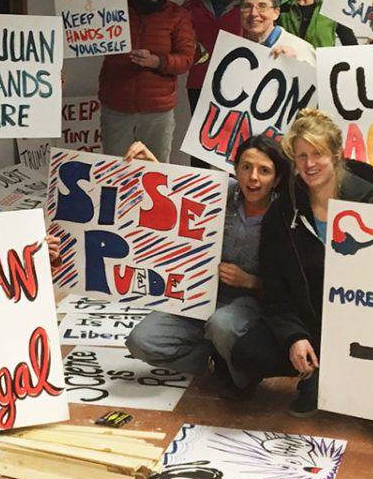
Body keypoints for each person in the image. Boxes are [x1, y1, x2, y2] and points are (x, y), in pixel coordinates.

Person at [228, 108, 373, 417]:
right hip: (310, 322)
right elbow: (275, 290)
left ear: (337, 154)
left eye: (318, 154)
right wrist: (294, 336)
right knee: (247, 353)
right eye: (301, 156)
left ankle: (351, 372)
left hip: (364, 323)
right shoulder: (283, 211)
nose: (309, 164)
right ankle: (315, 370)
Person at [123, 134, 289, 396]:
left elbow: (288, 286)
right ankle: (216, 360)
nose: (253, 177)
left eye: (264, 171)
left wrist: (249, 281)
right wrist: (152, 163)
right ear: (236, 170)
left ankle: (242, 374)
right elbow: (179, 191)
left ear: (277, 179)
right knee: (140, 341)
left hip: (250, 304)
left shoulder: (285, 215)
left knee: (221, 325)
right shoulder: (222, 190)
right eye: (246, 167)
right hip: (200, 297)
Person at [97, 0, 196, 162]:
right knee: (116, 172)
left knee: (155, 172)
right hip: (117, 109)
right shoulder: (113, 10)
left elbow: (186, 58)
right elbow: (79, 11)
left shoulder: (178, 15)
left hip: (157, 113)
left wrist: (157, 61)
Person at [182, 0, 244, 113]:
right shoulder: (195, 5)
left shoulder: (244, 5)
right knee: (200, 128)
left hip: (233, 79)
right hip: (200, 79)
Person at [239, 0, 316, 64]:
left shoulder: (301, 49)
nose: (253, 13)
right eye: (247, 7)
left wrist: (295, 64)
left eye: (262, 6)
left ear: (276, 13)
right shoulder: (235, 46)